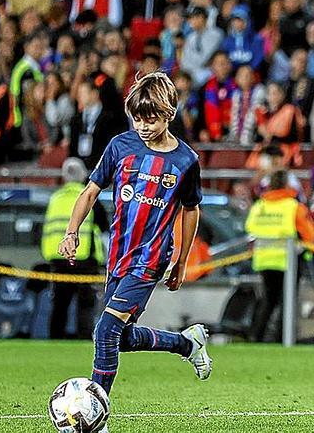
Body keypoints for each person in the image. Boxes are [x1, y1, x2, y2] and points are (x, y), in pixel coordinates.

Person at [56, 72, 211, 398]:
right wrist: (72, 232)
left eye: (150, 119)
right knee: (120, 337)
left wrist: (182, 260)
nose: (142, 126)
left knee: (106, 330)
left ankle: (96, 409)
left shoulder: (185, 161)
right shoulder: (120, 146)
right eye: (137, 118)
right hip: (119, 254)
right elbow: (90, 191)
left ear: (169, 113)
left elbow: (191, 209)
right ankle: (187, 343)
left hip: (151, 257)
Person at [245, 169, 314, 342]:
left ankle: (256, 336)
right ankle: (280, 338)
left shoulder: (259, 206)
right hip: (289, 260)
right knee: (286, 302)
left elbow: (250, 229)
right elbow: (310, 234)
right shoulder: (294, 207)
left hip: (264, 259)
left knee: (267, 300)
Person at [42, 158, 109, 339]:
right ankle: (84, 338)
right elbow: (104, 231)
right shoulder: (89, 197)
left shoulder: (55, 198)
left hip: (58, 258)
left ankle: (55, 339)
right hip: (85, 259)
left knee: (59, 304)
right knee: (85, 304)